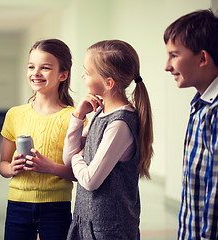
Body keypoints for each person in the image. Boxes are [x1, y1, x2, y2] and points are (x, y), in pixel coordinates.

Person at [63, 40, 153, 239]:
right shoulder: (99, 113)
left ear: (109, 83)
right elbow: (67, 159)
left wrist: (78, 155)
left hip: (109, 229)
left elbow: (89, 180)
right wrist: (78, 116)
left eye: (87, 71)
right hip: (86, 221)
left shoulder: (120, 124)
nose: (82, 75)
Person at [0, 39, 77, 240]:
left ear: (63, 74)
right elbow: (3, 165)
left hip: (57, 207)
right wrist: (12, 168)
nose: (36, 73)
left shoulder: (75, 118)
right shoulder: (14, 115)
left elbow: (81, 174)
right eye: (31, 66)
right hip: (17, 205)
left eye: (45, 68)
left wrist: (50, 167)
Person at [164, 9, 218, 239]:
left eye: (174, 55)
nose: (167, 66)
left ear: (202, 58)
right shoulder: (200, 105)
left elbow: (215, 194)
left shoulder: (214, 112)